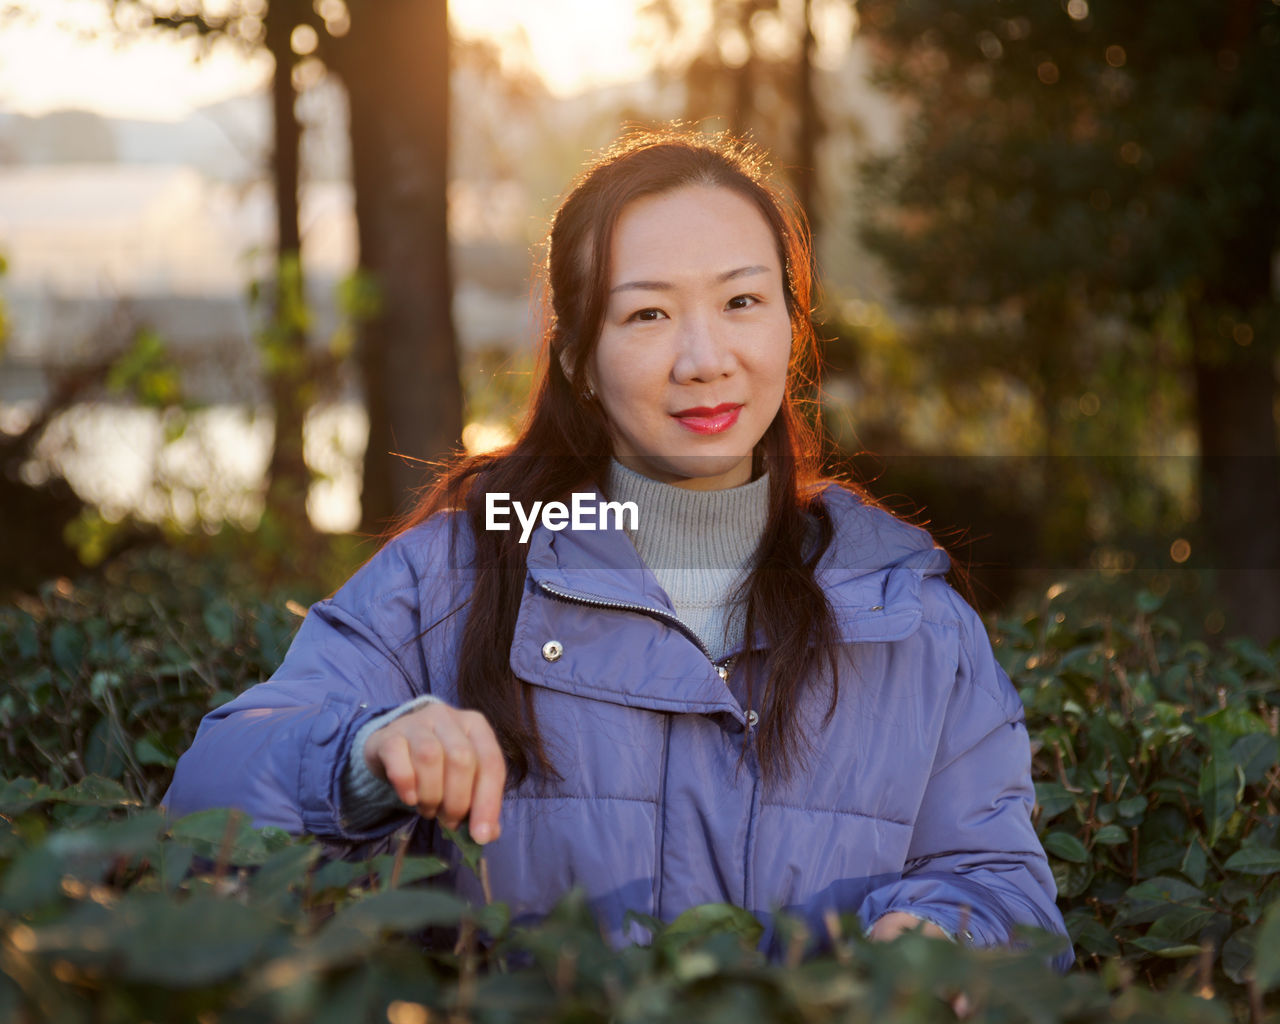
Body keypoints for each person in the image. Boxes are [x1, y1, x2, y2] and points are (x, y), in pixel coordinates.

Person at [164, 127, 1071, 967]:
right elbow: (206, 806)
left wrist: (941, 938)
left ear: (791, 328)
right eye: (647, 316)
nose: (704, 358)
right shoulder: (455, 578)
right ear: (576, 360)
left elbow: (1005, 887)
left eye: (742, 301)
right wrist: (363, 755)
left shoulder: (910, 614)